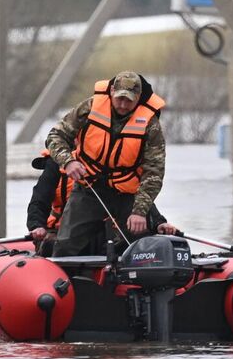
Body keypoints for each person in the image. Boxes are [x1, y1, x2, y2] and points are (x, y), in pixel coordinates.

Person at [44, 71, 169, 257]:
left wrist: (140, 212)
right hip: (89, 189)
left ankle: (133, 282)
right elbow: (56, 136)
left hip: (127, 194)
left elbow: (154, 172)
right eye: (120, 99)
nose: (123, 105)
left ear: (138, 99)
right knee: (66, 245)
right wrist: (68, 161)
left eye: (129, 101)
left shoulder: (150, 124)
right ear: (111, 91)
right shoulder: (90, 108)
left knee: (141, 247)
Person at [25, 150, 177, 255]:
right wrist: (37, 225)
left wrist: (158, 222)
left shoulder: (109, 162)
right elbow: (39, 199)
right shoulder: (56, 164)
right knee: (55, 246)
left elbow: (132, 193)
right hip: (62, 232)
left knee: (133, 243)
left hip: (102, 234)